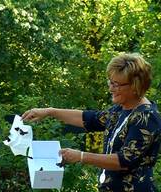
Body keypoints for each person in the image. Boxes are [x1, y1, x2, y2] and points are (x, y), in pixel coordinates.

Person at [21, 53, 161, 192]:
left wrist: (81, 156)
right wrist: (49, 112)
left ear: (134, 86)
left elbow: (124, 161)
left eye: (116, 84)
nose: (110, 88)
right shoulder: (120, 109)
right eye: (110, 82)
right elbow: (90, 119)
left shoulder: (147, 117)